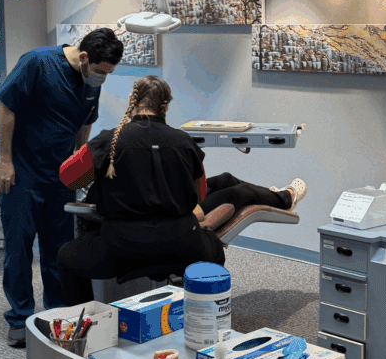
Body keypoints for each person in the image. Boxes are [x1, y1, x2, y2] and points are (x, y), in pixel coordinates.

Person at [56, 75, 307, 306]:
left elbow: (69, 178)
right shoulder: (184, 141)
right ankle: (208, 317)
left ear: (131, 101)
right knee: (214, 250)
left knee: (67, 257)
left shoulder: (108, 140)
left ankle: (84, 331)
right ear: (165, 107)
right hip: (183, 244)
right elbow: (198, 196)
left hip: (123, 249)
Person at [0, 28, 124, 347]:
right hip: (22, 172)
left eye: (108, 74)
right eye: (99, 71)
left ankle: (56, 313)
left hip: (60, 176)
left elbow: (85, 123)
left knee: (59, 247)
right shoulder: (37, 63)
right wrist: (5, 160)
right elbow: (5, 108)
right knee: (19, 248)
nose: (102, 78)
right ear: (83, 57)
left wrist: (80, 167)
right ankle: (20, 317)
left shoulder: (92, 81)